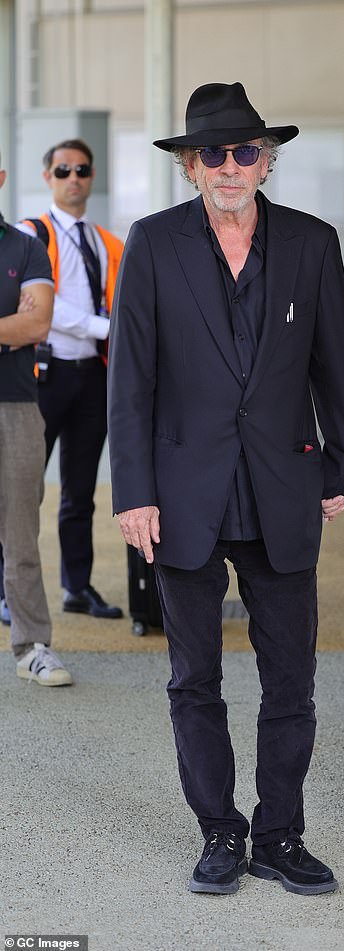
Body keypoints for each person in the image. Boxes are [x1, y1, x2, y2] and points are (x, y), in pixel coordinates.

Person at [108, 82, 344, 896]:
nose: (230, 165)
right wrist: (133, 491)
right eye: (213, 152)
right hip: (182, 492)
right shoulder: (151, 245)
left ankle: (281, 834)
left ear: (266, 162)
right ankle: (220, 829)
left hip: (282, 488)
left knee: (292, 676)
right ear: (190, 166)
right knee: (195, 678)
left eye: (245, 151)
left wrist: (343, 467)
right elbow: (133, 381)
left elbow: (337, 367)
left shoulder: (312, 244)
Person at [1, 138, 124, 621]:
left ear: (91, 177)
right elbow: (46, 314)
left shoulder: (106, 241)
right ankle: (9, 591)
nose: (74, 177)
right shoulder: (32, 235)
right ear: (47, 177)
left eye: (82, 169)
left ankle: (78, 586)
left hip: (92, 374)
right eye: (64, 170)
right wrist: (100, 326)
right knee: (19, 490)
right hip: (43, 376)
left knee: (80, 491)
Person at [0, 152, 72, 686]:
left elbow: (36, 323)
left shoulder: (25, 248)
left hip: (16, 408)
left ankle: (31, 647)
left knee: (21, 535)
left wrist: (19, 325)